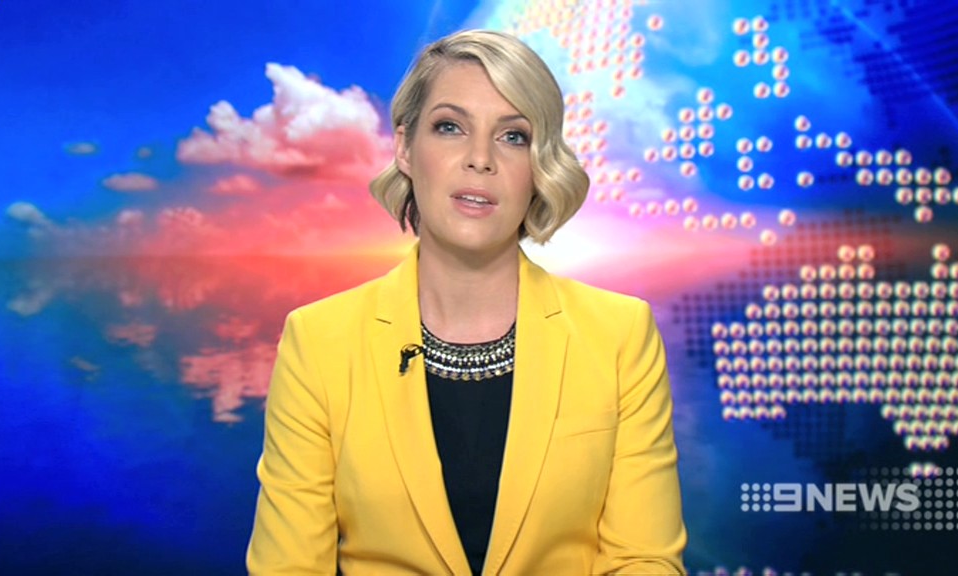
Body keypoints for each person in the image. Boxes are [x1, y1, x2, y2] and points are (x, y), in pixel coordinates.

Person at [246, 29, 687, 575]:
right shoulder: (318, 342)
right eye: (450, 127)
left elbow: (644, 560)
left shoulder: (620, 334)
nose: (480, 159)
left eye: (514, 136)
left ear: (540, 165)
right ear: (405, 148)